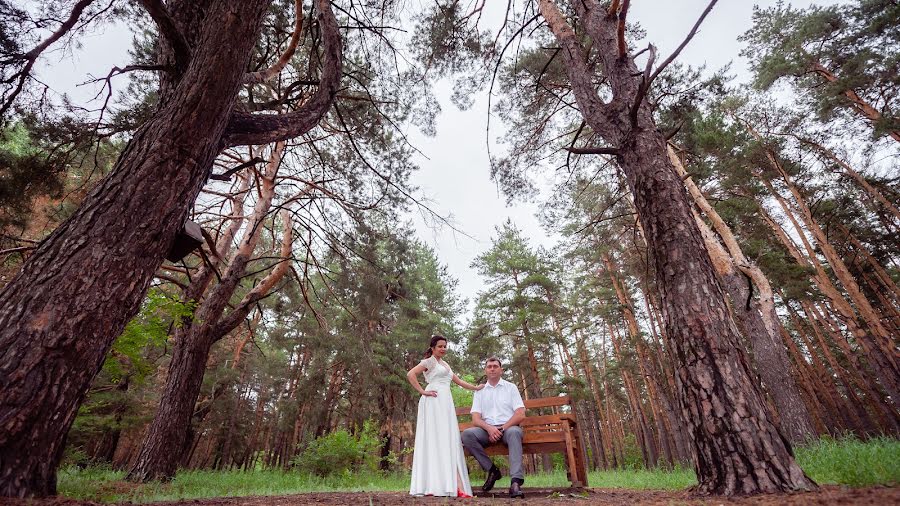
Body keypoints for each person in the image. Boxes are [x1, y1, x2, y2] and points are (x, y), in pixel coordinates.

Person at [407, 335, 483, 497]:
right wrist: (422, 391)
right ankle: (433, 484)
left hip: (446, 403)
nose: (443, 349)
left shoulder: (445, 364)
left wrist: (476, 388)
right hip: (433, 402)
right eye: (440, 346)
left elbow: (459, 382)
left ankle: (450, 483)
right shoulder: (429, 362)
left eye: (445, 346)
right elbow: (410, 374)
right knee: (435, 438)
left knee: (447, 438)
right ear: (433, 348)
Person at [461, 356, 526, 499]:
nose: (492, 369)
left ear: (501, 370)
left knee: (515, 432)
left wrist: (502, 428)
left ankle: (515, 483)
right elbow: (476, 419)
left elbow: (520, 414)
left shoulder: (511, 388)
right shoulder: (480, 391)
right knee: (467, 435)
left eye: (495, 366)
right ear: (485, 370)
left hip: (508, 428)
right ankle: (492, 470)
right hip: (487, 430)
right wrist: (490, 428)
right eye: (489, 366)